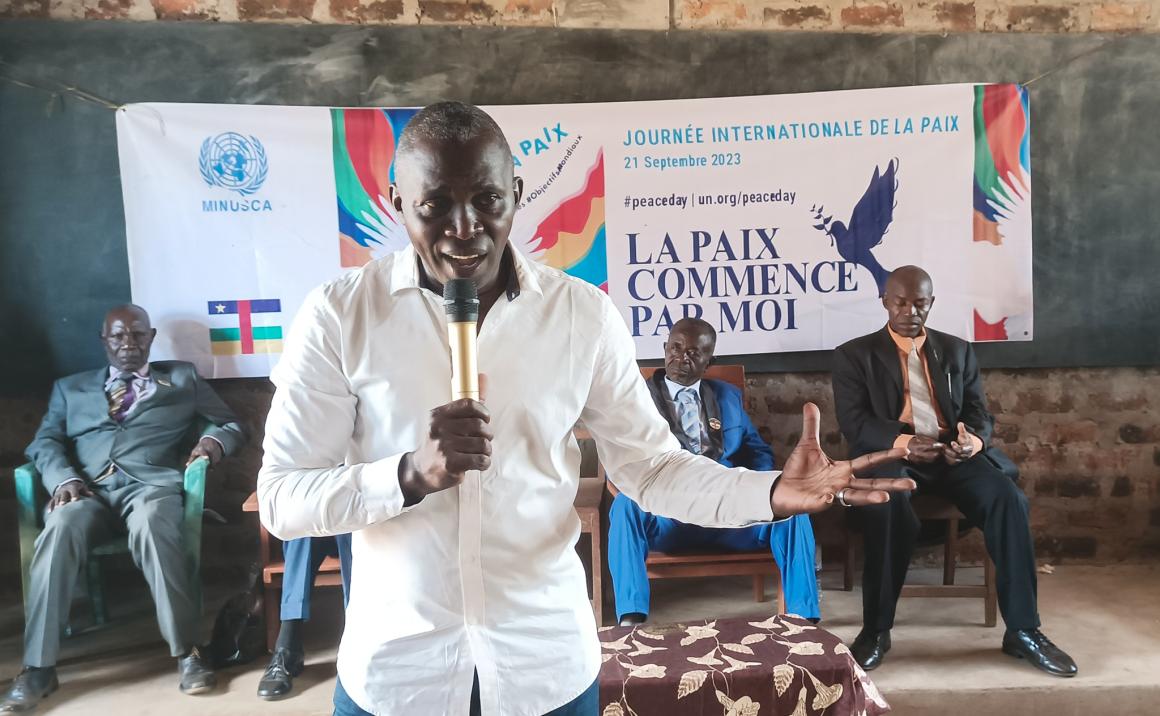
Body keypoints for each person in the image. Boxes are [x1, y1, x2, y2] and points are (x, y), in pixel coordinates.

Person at [256, 101, 913, 716]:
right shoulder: (339, 315)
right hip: (397, 676)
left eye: (486, 200)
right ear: (397, 202)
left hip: (545, 668)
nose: (464, 228)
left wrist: (769, 492)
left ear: (517, 192)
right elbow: (284, 499)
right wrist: (408, 475)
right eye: (435, 206)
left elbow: (651, 469)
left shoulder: (580, 314)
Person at [830, 265, 1077, 677]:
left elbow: (979, 412)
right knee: (887, 505)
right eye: (901, 302)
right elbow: (856, 424)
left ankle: (1023, 631)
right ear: (885, 301)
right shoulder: (854, 355)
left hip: (951, 455)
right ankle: (876, 630)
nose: (910, 311)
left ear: (931, 303)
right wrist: (906, 443)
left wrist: (972, 442)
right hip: (894, 455)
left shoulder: (957, 350)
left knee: (1008, 500)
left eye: (920, 303)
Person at [1, 304, 247, 712]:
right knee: (59, 529)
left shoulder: (181, 378)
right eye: (118, 335)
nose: (128, 343)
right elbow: (44, 442)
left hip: (149, 488)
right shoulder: (70, 388)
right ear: (104, 341)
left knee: (154, 524)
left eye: (137, 334)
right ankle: (38, 668)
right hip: (86, 491)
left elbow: (232, 424)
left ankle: (188, 652)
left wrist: (211, 444)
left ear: (151, 338)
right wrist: (64, 479)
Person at [609, 318, 820, 625]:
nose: (682, 357)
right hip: (670, 514)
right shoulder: (636, 399)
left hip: (729, 513)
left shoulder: (726, 396)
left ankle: (803, 620)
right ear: (665, 348)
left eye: (694, 352)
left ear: (709, 361)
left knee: (792, 508)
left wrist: (760, 488)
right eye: (676, 347)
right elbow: (619, 458)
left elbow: (757, 451)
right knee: (624, 505)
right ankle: (631, 620)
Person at [256, 534, 353, 700]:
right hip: (317, 529)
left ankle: (358, 642)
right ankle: (288, 648)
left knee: (354, 531)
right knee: (301, 530)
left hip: (355, 529)